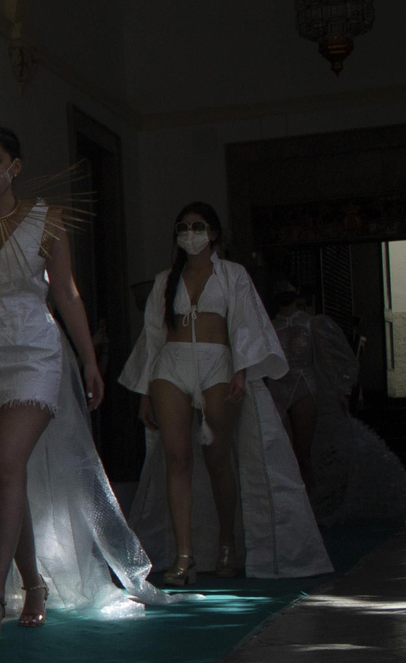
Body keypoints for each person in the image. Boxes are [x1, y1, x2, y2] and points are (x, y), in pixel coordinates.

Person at [0, 126, 158, 641]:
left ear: (15, 166)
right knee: (3, 477)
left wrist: (89, 360)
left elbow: (69, 296)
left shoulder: (47, 221)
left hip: (35, 350)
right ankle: (32, 584)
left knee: (7, 466)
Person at [120, 203, 331, 582]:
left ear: (213, 233)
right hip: (171, 365)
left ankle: (226, 542)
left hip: (217, 364)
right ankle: (184, 554)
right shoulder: (165, 280)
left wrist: (240, 371)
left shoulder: (233, 275)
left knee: (218, 459)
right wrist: (144, 392)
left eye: (198, 226)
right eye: (182, 227)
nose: (190, 233)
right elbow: (153, 336)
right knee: (176, 458)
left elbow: (246, 325)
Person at [266, 278, 406, 526]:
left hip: (304, 386)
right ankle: (289, 508)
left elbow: (326, 359)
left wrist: (338, 390)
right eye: (280, 290)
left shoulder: (310, 323)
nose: (284, 292)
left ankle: (309, 506)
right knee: (284, 454)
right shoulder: (269, 326)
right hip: (277, 388)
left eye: (288, 289)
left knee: (302, 453)